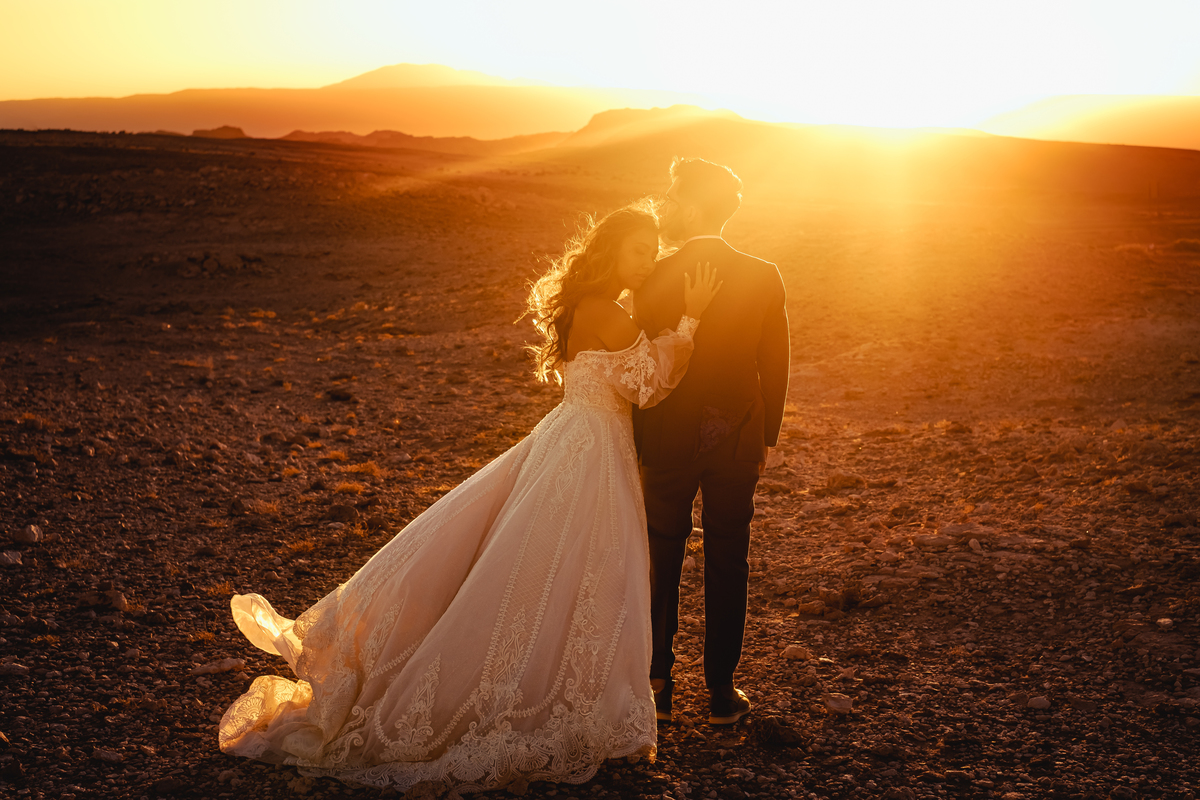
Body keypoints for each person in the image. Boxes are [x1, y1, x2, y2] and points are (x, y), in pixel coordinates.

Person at [218, 200, 721, 794]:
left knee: (566, 570)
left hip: (574, 437)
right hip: (589, 448)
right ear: (612, 251)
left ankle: (589, 700)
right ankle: (577, 705)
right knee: (580, 570)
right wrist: (689, 322)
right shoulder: (604, 310)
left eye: (653, 250)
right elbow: (650, 384)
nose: (649, 261)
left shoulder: (594, 307)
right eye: (640, 250)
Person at [632, 158, 789, 726]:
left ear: (694, 204)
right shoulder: (764, 274)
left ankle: (657, 685)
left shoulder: (654, 273)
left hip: (667, 437)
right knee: (729, 557)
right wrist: (766, 436)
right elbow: (775, 364)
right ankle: (722, 692)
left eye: (675, 193)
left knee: (661, 555)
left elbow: (641, 359)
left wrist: (635, 435)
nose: (667, 202)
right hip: (738, 436)